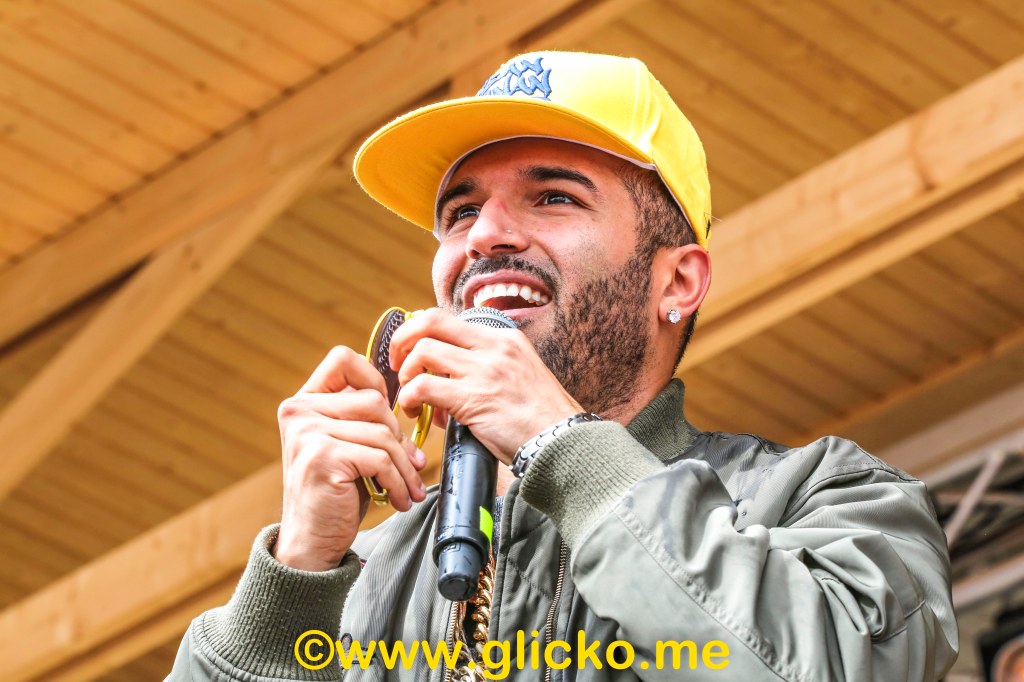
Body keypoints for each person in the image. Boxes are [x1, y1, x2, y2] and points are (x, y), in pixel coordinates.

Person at [169, 51, 958, 681]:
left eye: (553, 197)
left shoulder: (821, 502)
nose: (485, 235)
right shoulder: (358, 573)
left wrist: (558, 445)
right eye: (460, 212)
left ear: (676, 281)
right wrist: (295, 580)